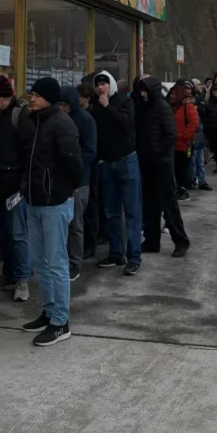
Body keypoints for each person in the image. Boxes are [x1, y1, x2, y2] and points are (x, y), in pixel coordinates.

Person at [19, 77, 83, 345]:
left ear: (48, 98)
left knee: (56, 262)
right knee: (38, 261)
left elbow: (74, 164)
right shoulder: (32, 121)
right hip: (33, 201)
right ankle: (48, 311)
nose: (31, 98)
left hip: (55, 203)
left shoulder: (61, 123)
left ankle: (61, 322)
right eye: (31, 94)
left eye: (35, 95)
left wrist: (63, 190)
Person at [91, 70, 141, 275]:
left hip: (126, 161)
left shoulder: (124, 102)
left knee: (131, 212)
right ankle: (116, 252)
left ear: (111, 85)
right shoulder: (96, 107)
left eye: (104, 83)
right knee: (111, 212)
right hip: (107, 163)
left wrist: (108, 106)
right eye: (98, 84)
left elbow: (125, 125)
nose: (100, 87)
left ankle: (134, 257)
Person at [134, 76, 190, 256]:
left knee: (169, 203)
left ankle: (181, 241)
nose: (142, 94)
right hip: (147, 162)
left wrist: (157, 150)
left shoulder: (162, 107)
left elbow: (171, 135)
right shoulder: (144, 107)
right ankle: (152, 241)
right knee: (150, 204)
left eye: (145, 90)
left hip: (162, 162)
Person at [0, 76, 29, 303]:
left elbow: (27, 151)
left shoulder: (19, 116)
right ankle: (10, 273)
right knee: (4, 232)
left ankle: (22, 279)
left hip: (15, 186)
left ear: (4, 98)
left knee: (18, 233)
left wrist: (23, 183)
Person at [60, 86, 97, 281]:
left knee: (75, 224)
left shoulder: (85, 120)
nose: (61, 108)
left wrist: (76, 169)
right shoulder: (57, 119)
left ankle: (75, 263)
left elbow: (90, 151)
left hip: (79, 181)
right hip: (60, 179)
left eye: (64, 104)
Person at [76, 82, 101, 259]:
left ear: (86, 98)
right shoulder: (78, 115)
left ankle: (90, 242)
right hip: (86, 166)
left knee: (90, 204)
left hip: (90, 167)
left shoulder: (89, 117)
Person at [170, 80, 199, 201]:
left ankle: (182, 191)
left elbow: (194, 123)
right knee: (176, 169)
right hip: (174, 144)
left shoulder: (188, 106)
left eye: (173, 93)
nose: (171, 95)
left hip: (182, 144)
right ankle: (178, 189)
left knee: (181, 169)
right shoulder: (175, 106)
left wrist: (184, 136)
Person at [190, 78, 212, 191]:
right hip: (192, 132)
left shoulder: (199, 98)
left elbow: (204, 111)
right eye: (198, 85)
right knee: (193, 160)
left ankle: (202, 181)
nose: (200, 86)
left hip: (200, 131)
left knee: (200, 160)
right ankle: (193, 181)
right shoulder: (189, 100)